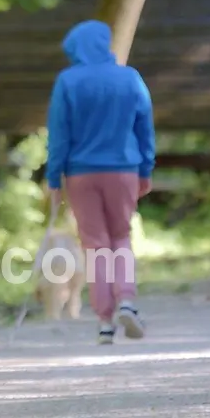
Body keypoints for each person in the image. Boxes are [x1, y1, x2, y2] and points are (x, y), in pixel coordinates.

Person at [44, 19, 156, 345]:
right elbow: (144, 129)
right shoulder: (130, 78)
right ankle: (127, 301)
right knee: (121, 237)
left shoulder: (67, 81)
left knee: (95, 245)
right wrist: (145, 170)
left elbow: (59, 135)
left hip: (81, 173)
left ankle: (105, 322)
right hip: (123, 170)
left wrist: (54, 178)